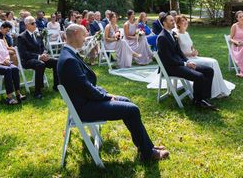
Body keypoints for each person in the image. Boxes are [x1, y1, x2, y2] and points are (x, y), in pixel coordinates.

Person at [58, 24, 169, 162]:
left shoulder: (69, 54)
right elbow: (85, 88)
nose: (85, 38)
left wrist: (103, 93)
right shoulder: (69, 59)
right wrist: (106, 96)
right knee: (132, 110)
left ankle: (146, 147)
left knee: (127, 102)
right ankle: (147, 153)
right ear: (75, 34)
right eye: (83, 34)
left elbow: (85, 85)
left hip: (87, 101)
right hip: (85, 108)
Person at [157, 13, 216, 110]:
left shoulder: (173, 34)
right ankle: (197, 102)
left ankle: (203, 98)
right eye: (171, 20)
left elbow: (179, 52)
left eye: (173, 20)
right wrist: (185, 64)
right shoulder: (162, 37)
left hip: (180, 63)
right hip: (171, 68)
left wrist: (188, 61)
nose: (173, 22)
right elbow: (168, 59)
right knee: (199, 76)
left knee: (209, 70)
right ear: (164, 23)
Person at [174, 15, 234, 98]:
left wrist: (194, 51)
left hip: (194, 57)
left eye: (186, 20)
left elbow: (191, 46)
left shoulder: (187, 33)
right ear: (178, 24)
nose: (185, 22)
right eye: (182, 21)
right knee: (212, 63)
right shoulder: (176, 35)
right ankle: (212, 92)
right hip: (187, 60)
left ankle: (218, 89)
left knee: (214, 61)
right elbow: (178, 52)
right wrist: (190, 54)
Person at [17, 17, 58, 99]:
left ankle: (57, 85)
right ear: (26, 25)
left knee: (56, 62)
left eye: (35, 22)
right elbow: (24, 53)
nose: (35, 24)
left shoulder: (38, 34)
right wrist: (39, 57)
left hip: (40, 58)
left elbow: (43, 47)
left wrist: (44, 54)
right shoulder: (21, 37)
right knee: (40, 64)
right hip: (27, 60)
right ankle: (37, 91)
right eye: (32, 23)